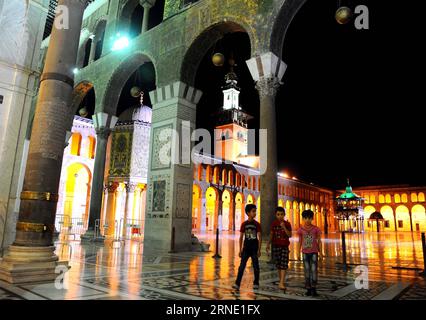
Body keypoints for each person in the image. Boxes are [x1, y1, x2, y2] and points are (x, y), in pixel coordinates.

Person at [233, 204, 262, 290]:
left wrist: (259, 250)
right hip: (246, 248)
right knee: (241, 266)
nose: (255, 213)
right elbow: (241, 237)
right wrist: (240, 249)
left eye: (255, 211)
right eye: (253, 211)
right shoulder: (244, 224)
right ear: (248, 213)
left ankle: (256, 282)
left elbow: (260, 237)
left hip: (254, 248)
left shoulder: (257, 224)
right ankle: (237, 283)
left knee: (256, 266)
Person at [297, 209, 322, 297]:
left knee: (314, 270)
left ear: (312, 219)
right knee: (307, 270)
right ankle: (308, 288)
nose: (307, 220)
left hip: (314, 252)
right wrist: (297, 252)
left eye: (309, 218)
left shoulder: (316, 229)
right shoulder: (300, 229)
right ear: (303, 219)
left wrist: (321, 252)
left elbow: (319, 241)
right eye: (305, 218)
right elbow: (300, 241)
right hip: (305, 253)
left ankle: (314, 288)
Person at [266, 207, 292, 290]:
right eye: (278, 214)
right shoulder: (274, 224)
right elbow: (271, 234)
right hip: (276, 246)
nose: (280, 216)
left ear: (284, 215)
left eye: (281, 214)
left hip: (284, 246)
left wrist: (284, 227)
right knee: (278, 264)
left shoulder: (287, 224)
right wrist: (268, 244)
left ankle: (281, 282)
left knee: (284, 264)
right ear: (276, 215)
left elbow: (290, 235)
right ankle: (281, 280)